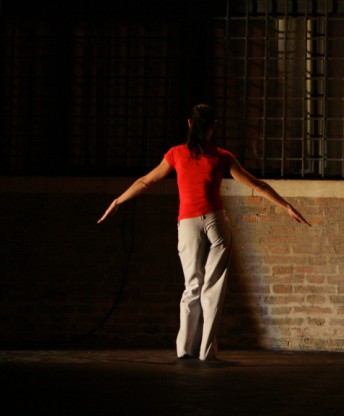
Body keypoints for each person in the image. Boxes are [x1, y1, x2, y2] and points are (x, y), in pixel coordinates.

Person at [98, 103, 311, 360]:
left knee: (192, 286)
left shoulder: (176, 154)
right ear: (213, 127)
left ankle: (185, 350)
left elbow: (145, 182)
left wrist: (118, 201)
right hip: (215, 222)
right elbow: (256, 185)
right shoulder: (222, 156)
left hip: (188, 223)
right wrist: (286, 206)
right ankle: (206, 352)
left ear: (189, 124)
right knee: (213, 287)